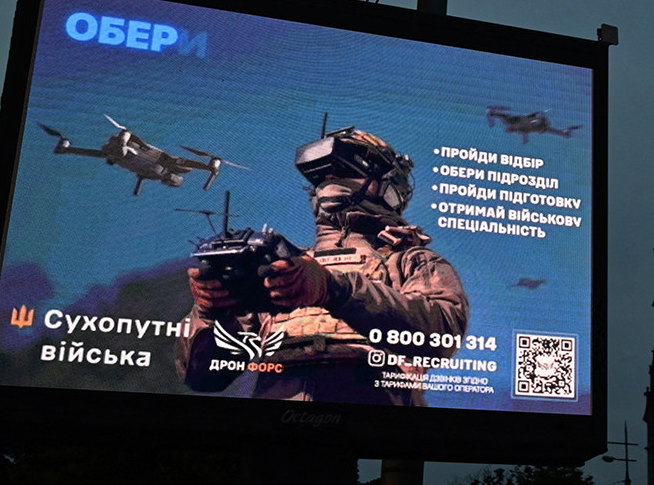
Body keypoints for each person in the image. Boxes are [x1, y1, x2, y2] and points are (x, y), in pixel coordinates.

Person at [177, 127, 469, 404]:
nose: (330, 183)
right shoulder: (281, 267)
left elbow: (440, 334)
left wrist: (335, 290)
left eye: (344, 172)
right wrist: (211, 312)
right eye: (321, 178)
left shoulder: (410, 261)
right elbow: (204, 377)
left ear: (388, 187)